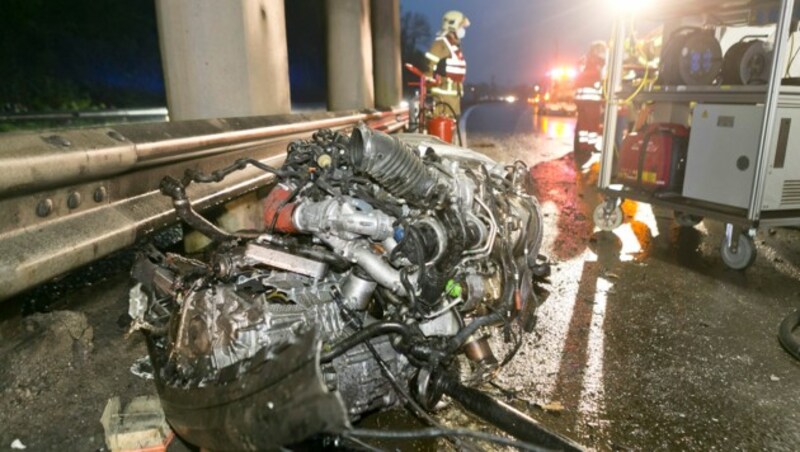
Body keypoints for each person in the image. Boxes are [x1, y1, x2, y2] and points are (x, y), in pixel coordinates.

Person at [425, 10, 469, 117]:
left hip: (453, 101)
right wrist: (429, 91)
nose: (462, 30)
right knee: (440, 131)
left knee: (451, 130)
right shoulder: (440, 45)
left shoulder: (454, 47)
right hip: (442, 101)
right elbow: (427, 69)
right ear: (452, 27)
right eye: (461, 27)